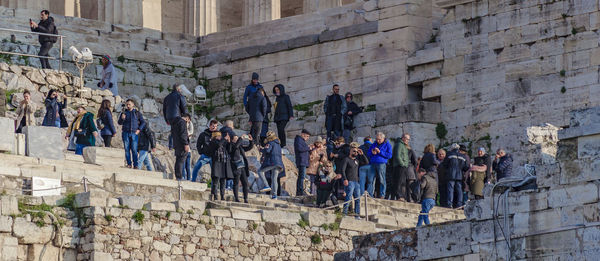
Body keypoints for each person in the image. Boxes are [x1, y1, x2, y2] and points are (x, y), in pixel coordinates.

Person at [341, 143, 369, 218]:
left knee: (357, 199)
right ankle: (344, 213)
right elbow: (342, 170)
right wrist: (345, 179)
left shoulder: (357, 161)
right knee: (348, 197)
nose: (355, 153)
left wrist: (362, 154)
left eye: (356, 152)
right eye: (354, 151)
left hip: (356, 182)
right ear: (350, 151)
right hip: (349, 181)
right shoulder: (346, 159)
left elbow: (366, 162)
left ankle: (357, 215)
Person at [117, 99, 146, 168]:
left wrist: (139, 130)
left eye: (129, 104)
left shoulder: (137, 113)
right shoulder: (124, 113)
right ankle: (129, 164)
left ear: (133, 104)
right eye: (127, 104)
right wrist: (122, 118)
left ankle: (135, 165)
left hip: (134, 133)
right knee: (127, 149)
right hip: (125, 133)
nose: (128, 106)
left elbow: (143, 122)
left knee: (134, 149)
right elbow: (119, 123)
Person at [441, 144, 470, 208]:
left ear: (452, 148)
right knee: (459, 190)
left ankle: (449, 204)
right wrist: (461, 170)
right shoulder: (463, 156)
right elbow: (467, 167)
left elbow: (445, 164)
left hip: (450, 175)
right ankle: (459, 204)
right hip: (459, 175)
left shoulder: (449, 154)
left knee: (450, 189)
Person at [257, 131, 284, 199]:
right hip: (279, 163)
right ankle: (275, 195)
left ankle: (267, 185)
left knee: (260, 171)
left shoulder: (270, 143)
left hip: (272, 162)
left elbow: (267, 150)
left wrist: (261, 149)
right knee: (274, 178)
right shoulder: (278, 144)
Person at [207, 132, 232, 200]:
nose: (220, 137)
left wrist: (229, 142)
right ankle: (215, 195)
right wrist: (224, 139)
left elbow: (229, 150)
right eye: (219, 136)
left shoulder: (222, 142)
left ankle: (222, 196)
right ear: (215, 137)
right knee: (216, 180)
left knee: (223, 181)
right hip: (216, 163)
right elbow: (218, 145)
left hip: (223, 163)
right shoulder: (213, 142)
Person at [367, 132, 392, 198]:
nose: (378, 140)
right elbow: (368, 154)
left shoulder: (387, 144)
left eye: (379, 139)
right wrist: (372, 153)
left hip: (381, 163)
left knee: (382, 179)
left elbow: (389, 155)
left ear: (383, 138)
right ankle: (370, 194)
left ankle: (382, 194)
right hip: (372, 163)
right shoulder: (373, 144)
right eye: (377, 139)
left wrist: (380, 152)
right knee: (370, 179)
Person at [230, 134, 254, 203]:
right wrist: (241, 138)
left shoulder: (240, 146)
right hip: (236, 166)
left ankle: (245, 198)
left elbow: (249, 147)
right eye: (236, 138)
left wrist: (251, 141)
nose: (237, 139)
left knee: (245, 183)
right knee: (236, 182)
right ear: (232, 140)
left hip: (243, 166)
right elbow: (235, 147)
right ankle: (236, 198)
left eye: (238, 138)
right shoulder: (231, 145)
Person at [391, 134, 410, 201]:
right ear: (403, 138)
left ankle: (399, 196)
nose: (408, 140)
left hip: (403, 166)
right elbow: (397, 156)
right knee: (398, 182)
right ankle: (399, 196)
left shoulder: (403, 145)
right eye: (407, 139)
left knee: (401, 182)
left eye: (408, 139)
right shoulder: (399, 144)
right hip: (399, 166)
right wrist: (402, 164)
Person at [171, 115, 191, 180]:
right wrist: (186, 144)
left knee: (178, 160)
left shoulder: (175, 122)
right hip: (182, 144)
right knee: (181, 160)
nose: (188, 123)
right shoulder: (182, 122)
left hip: (176, 144)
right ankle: (179, 177)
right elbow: (183, 134)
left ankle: (178, 176)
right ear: (187, 119)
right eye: (188, 122)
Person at [294, 129, 311, 196]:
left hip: (303, 161)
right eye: (307, 136)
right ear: (303, 134)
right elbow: (300, 149)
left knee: (301, 177)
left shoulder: (301, 141)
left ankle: (300, 191)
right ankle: (299, 191)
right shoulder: (298, 140)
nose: (308, 138)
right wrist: (308, 148)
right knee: (301, 177)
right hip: (301, 161)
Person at [220, 120, 236, 189]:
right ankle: (229, 186)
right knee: (230, 170)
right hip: (228, 153)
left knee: (223, 172)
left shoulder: (220, 131)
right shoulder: (230, 131)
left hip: (221, 153)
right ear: (230, 126)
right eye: (233, 126)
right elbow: (236, 139)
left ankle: (225, 187)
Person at [182, 114, 194, 180]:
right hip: (185, 150)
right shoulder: (188, 131)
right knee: (185, 166)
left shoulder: (188, 132)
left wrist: (188, 122)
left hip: (187, 151)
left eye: (187, 119)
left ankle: (187, 178)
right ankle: (186, 178)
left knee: (186, 166)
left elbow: (189, 131)